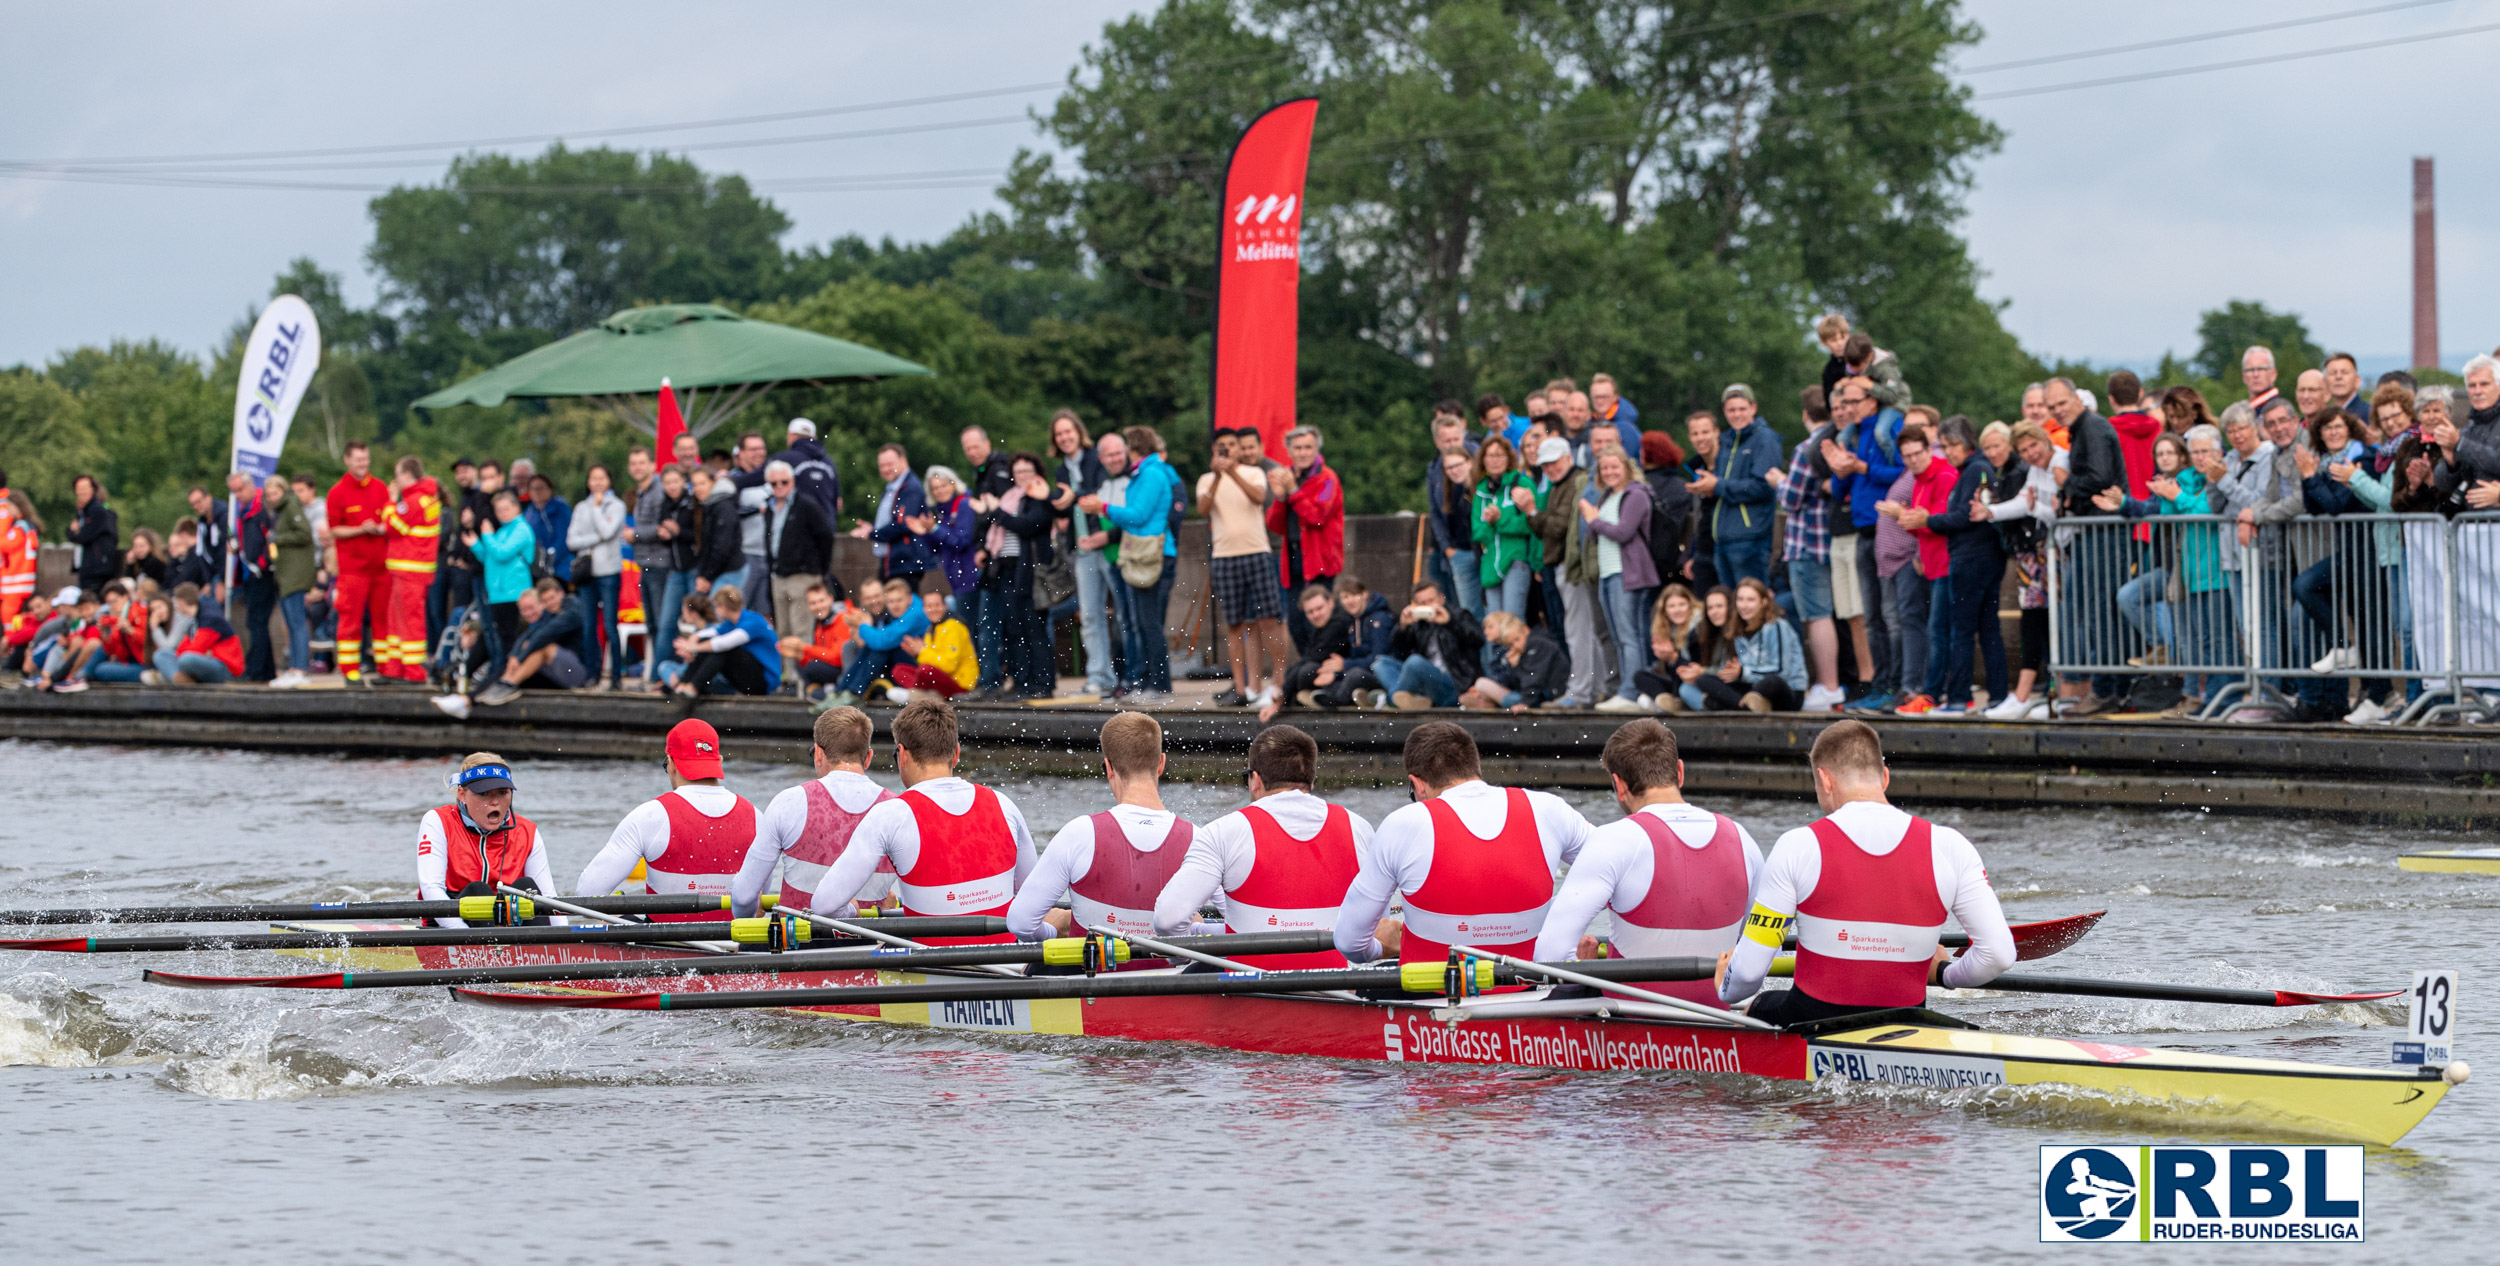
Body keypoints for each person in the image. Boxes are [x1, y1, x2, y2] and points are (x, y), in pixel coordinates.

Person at [1715, 720, 2012, 1023]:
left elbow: (1748, 974)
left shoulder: (1798, 845)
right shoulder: (1950, 846)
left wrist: (1726, 984)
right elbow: (1999, 955)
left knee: (1757, 1004)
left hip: (1814, 1022)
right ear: (1884, 778)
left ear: (1825, 780)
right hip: (1909, 1023)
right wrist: (1944, 974)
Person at [1532, 720, 1763, 1004]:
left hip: (1631, 1024)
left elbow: (1548, 957)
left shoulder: (1614, 839)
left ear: (1619, 785)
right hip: (1715, 1021)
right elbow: (1758, 956)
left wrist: (1583, 968)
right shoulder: (1742, 839)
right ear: (1680, 772)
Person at [1334, 722, 1593, 967]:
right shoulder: (1549, 809)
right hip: (1529, 989)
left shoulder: (1404, 823)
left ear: (1417, 785)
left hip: (1429, 997)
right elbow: (1622, 869)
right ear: (1475, 768)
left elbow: (1349, 943)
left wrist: (1382, 948)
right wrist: (1557, 916)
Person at [803, 698, 1036, 945]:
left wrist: (853, 912)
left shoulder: (891, 815)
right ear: (956, 753)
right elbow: (1030, 899)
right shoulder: (1004, 804)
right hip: (1008, 966)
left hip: (933, 972)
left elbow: (824, 906)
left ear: (902, 755)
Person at [1152, 724, 1371, 969]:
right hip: (1339, 992)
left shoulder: (1224, 831)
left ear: (1255, 780)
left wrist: (1182, 957)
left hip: (1249, 994)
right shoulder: (1359, 828)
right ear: (1311, 781)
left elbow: (1168, 920)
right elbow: (1375, 928)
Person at [1005, 711, 1192, 944]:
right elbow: (1235, 927)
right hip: (1173, 978)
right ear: (1161, 763)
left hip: (1092, 977)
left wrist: (1056, 933)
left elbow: (1020, 923)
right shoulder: (1199, 839)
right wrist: (1192, 929)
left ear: (1108, 767)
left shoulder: (1079, 833)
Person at [572, 719, 759, 921]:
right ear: (719, 761)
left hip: (664, 945)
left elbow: (586, 896)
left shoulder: (651, 815)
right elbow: (756, 904)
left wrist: (617, 911)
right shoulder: (756, 816)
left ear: (670, 764)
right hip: (734, 945)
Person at [730, 706, 900, 917]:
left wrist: (748, 924)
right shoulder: (898, 808)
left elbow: (743, 896)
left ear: (818, 754)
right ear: (868, 757)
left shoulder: (790, 801)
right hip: (870, 944)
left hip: (797, 946)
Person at [1919, 416, 2010, 716]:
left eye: (1954, 444)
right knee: (1988, 629)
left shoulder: (1974, 470)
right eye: (1945, 446)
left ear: (1968, 442)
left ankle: (1958, 698)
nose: (1949, 452)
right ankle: (1997, 696)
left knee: (1962, 630)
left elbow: (1962, 517)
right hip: (1984, 558)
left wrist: (1927, 520)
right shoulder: (1976, 469)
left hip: (1972, 560)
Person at [1970, 421, 2061, 719]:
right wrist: (1991, 511)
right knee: (2035, 622)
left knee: (2046, 623)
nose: (2030, 453)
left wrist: (2023, 510)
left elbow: (2050, 511)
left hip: (2047, 553)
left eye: (2032, 446)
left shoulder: (2054, 463)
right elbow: (2025, 504)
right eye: (2025, 449)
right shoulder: (2029, 471)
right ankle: (2033, 694)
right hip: (2034, 555)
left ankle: (2045, 694)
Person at [1198, 428, 1288, 708]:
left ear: (1239, 450)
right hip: (1224, 555)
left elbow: (1259, 498)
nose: (1226, 451)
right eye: (1221, 447)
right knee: (1235, 624)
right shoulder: (1206, 479)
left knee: (1269, 619)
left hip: (1257, 552)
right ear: (1214, 451)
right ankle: (1242, 688)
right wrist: (1217, 477)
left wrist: (1232, 472)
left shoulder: (1253, 473)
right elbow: (1203, 509)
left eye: (1231, 446)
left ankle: (1279, 682)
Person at [415, 752, 558, 928]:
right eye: (484, 794)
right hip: (449, 922)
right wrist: (460, 932)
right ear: (462, 794)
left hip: (508, 920)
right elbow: (431, 888)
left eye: (502, 792)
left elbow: (549, 898)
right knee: (478, 890)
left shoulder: (527, 831)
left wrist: (565, 938)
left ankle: (541, 950)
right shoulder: (438, 821)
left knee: (528, 888)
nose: (495, 802)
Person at [971, 452, 1062, 701]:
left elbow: (1028, 526)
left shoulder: (1040, 498)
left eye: (1027, 471)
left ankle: (1043, 682)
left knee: (1035, 628)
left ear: (1037, 474)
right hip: (1008, 571)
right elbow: (996, 523)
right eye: (1018, 472)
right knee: (1014, 629)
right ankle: (1022, 681)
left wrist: (996, 512)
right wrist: (990, 513)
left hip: (1031, 573)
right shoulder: (1011, 498)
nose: (1022, 476)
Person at [1526, 435, 1604, 705]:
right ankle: (1594, 687)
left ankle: (1580, 691)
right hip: (1566, 565)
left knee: (1578, 630)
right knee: (1586, 630)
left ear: (1568, 458)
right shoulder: (1562, 484)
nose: (1550, 468)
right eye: (1545, 465)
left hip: (1572, 566)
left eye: (1554, 462)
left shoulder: (1574, 482)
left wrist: (1531, 511)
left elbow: (1557, 527)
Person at [1045, 411, 1118, 695]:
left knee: (1123, 613)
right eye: (1059, 434)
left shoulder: (1095, 458)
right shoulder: (1061, 469)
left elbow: (1099, 493)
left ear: (1079, 432)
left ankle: (1127, 675)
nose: (1064, 438)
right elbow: (1063, 505)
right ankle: (1099, 676)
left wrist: (1073, 498)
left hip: (1106, 542)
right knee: (1089, 615)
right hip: (1081, 550)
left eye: (1068, 432)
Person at [1585, 448, 1660, 711]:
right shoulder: (1608, 496)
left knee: (1631, 635)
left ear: (1627, 467)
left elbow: (1623, 532)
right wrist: (1595, 523)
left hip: (1629, 574)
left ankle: (1631, 691)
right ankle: (1624, 687)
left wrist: (1593, 521)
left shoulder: (1636, 494)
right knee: (1617, 635)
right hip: (1607, 572)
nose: (1609, 472)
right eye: (1604, 468)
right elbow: (1600, 535)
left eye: (1614, 467)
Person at [1693, 385, 1784, 586]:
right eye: (1731, 410)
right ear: (1724, 411)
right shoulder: (1726, 441)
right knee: (1733, 609)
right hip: (1722, 539)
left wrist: (1718, 485)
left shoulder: (1765, 439)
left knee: (1752, 604)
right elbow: (1725, 484)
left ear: (1753, 408)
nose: (1737, 415)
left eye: (1742, 409)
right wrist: (1708, 486)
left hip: (1750, 539)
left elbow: (1761, 486)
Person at [761, 459, 837, 687]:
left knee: (802, 627)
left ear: (793, 481)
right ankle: (787, 677)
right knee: (783, 628)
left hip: (803, 575)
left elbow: (825, 536)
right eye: (774, 483)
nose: (779, 487)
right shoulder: (770, 508)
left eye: (784, 482)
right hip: (778, 574)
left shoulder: (806, 505)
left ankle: (802, 678)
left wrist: (818, 568)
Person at [325, 443, 392, 683]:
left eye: (365, 459)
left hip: (381, 567)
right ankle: (349, 669)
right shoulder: (337, 492)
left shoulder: (380, 487)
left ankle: (386, 668)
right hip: (353, 568)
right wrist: (359, 530)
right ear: (347, 460)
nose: (363, 464)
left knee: (383, 620)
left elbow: (390, 520)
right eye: (358, 460)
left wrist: (380, 528)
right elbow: (335, 529)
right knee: (350, 620)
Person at [372, 457, 441, 686]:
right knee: (396, 621)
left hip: (410, 569)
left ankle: (414, 672)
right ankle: (394, 669)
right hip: (410, 570)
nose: (395, 479)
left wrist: (390, 502)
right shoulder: (428, 499)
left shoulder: (412, 501)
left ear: (408, 475)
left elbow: (393, 528)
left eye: (397, 474)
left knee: (410, 622)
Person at [475, 579, 588, 705]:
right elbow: (527, 635)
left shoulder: (572, 611)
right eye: (545, 601)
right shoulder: (551, 613)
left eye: (552, 598)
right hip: (561, 671)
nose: (549, 603)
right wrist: (514, 656)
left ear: (561, 593)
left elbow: (543, 635)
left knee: (545, 647)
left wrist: (519, 658)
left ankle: (509, 685)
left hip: (579, 674)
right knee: (528, 647)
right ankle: (501, 685)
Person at [565, 464, 627, 690]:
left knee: (611, 625)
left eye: (602, 478)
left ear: (609, 481)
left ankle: (616, 676)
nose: (598, 483)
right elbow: (572, 541)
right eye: (593, 478)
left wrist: (597, 509)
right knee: (589, 625)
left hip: (609, 572)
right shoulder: (581, 507)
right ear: (588, 482)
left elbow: (609, 532)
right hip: (587, 574)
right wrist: (596, 536)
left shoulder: (616, 506)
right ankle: (592, 673)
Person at [1379, 581, 1484, 710]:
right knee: (1381, 664)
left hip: (1455, 685)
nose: (1428, 606)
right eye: (1422, 603)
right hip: (1426, 682)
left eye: (1431, 600)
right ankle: (1413, 699)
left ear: (1442, 598)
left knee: (1415, 662)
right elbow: (1399, 653)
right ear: (1416, 605)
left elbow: (1479, 639)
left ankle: (1389, 700)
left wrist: (1450, 622)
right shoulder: (1418, 624)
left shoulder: (1459, 615)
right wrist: (1402, 627)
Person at [464, 487, 537, 665]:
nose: (502, 514)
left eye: (505, 509)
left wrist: (487, 536)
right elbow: (488, 558)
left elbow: (502, 553)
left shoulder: (521, 529)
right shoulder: (502, 531)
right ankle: (497, 672)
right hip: (497, 593)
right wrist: (475, 545)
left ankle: (508, 675)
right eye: (498, 510)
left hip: (514, 592)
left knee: (511, 637)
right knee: (500, 637)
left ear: (516, 508)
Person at [1266, 584, 1358, 721]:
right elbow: (1311, 656)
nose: (1315, 615)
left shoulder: (1338, 624)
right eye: (1310, 612)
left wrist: (1282, 694)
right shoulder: (1324, 623)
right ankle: (1310, 695)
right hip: (1336, 671)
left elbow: (1313, 657)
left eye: (1319, 608)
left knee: (1306, 672)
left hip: (1352, 671)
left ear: (1331, 603)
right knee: (1304, 671)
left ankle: (1318, 695)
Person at [1471, 434, 1540, 617]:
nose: (1495, 460)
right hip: (1490, 563)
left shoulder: (1522, 483)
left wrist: (1500, 520)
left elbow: (1531, 523)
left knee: (1512, 619)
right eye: (1490, 456)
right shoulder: (1481, 490)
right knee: (1494, 622)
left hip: (1515, 559)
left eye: (1500, 455)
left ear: (1509, 457)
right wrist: (1490, 523)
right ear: (1483, 460)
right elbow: (1477, 531)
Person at [672, 583, 780, 700]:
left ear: (723, 607)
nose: (715, 611)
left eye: (716, 607)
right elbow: (711, 633)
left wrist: (692, 648)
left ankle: (693, 687)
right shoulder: (733, 621)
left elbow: (723, 644)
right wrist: (695, 637)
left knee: (725, 650)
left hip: (765, 683)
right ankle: (684, 684)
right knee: (707, 642)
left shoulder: (754, 622)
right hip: (749, 677)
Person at [855, 443, 934, 595]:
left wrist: (872, 534)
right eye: (882, 465)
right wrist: (873, 528)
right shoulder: (893, 487)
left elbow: (902, 524)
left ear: (903, 461)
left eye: (890, 464)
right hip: (894, 562)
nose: (885, 469)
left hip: (906, 563)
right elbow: (892, 521)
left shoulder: (910, 488)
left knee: (903, 608)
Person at [264, 475, 317, 689]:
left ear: (283, 491)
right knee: (291, 622)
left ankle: (301, 669)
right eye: (268, 495)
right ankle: (294, 668)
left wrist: (278, 538)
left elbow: (305, 534)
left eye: (275, 493)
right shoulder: (281, 510)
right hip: (285, 573)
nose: (272, 497)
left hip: (295, 574)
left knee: (297, 623)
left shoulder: (291, 505)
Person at [1465, 609, 1569, 712]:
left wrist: (1525, 703)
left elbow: (1534, 679)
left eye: (1517, 639)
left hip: (1548, 696)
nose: (1516, 646)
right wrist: (1515, 667)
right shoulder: (1522, 649)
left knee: (1482, 685)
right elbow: (1519, 683)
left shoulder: (1538, 644)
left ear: (1526, 629)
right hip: (1537, 695)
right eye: (1511, 644)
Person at [891, 587, 975, 702]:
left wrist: (922, 651)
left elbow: (949, 666)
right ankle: (928, 695)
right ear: (924, 609)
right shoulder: (930, 629)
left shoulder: (954, 626)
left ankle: (917, 695)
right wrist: (917, 654)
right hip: (938, 681)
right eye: (929, 606)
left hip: (959, 684)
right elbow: (931, 661)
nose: (933, 609)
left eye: (937, 605)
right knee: (899, 669)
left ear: (945, 606)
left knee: (925, 670)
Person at [1630, 582, 1702, 711]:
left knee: (1646, 702)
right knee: (1640, 677)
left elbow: (1695, 667)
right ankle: (1664, 699)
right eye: (1672, 606)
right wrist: (1665, 661)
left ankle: (1670, 702)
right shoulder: (1667, 630)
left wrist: (1673, 658)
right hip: (1676, 682)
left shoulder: (1698, 628)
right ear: (1665, 610)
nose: (1677, 610)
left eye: (1682, 604)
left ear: (1690, 605)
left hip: (1694, 682)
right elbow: (1669, 673)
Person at [152, 582, 243, 685]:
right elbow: (182, 648)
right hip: (202, 661)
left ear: (181, 602)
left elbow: (196, 649)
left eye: (176, 602)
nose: (175, 607)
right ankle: (181, 679)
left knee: (186, 660)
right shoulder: (193, 620)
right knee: (161, 654)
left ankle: (177, 678)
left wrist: (198, 653)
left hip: (224, 667)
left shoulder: (210, 617)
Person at [778, 581, 852, 698]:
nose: (818, 606)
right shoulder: (820, 623)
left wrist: (805, 648)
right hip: (831, 667)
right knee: (800, 661)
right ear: (808, 605)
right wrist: (799, 655)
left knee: (812, 665)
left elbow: (837, 658)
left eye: (821, 601)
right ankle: (815, 692)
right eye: (813, 603)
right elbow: (821, 653)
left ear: (830, 599)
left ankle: (826, 692)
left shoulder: (842, 618)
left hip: (846, 671)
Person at [771, 417, 842, 524]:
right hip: (826, 528)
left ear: (790, 436)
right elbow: (837, 503)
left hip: (796, 527)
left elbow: (757, 478)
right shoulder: (829, 463)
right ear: (815, 437)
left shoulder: (783, 459)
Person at [691, 466, 744, 602]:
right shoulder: (710, 505)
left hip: (729, 571)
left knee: (717, 615)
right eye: (695, 484)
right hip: (718, 571)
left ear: (713, 482)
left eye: (702, 483)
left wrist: (706, 577)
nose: (698, 488)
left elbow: (722, 546)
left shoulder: (723, 506)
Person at [68, 474, 120, 598]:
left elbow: (84, 536)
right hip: (88, 566)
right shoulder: (83, 511)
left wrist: (74, 532)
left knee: (92, 598)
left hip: (96, 567)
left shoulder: (97, 510)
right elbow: (72, 532)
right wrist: (73, 532)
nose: (82, 492)